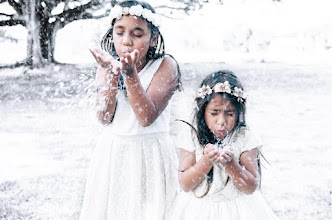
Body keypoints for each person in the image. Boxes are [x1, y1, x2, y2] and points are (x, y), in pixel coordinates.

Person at [79, 1, 181, 219]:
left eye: (137, 34)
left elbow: (146, 117)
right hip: (113, 153)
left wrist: (129, 73)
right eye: (120, 32)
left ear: (153, 39)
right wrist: (112, 73)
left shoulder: (166, 66)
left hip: (150, 154)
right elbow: (104, 117)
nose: (126, 41)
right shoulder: (107, 65)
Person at [167, 70, 279, 219]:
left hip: (238, 211)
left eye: (230, 113)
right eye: (214, 113)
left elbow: (250, 187)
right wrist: (206, 162)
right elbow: (185, 184)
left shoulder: (244, 137)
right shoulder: (192, 135)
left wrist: (231, 165)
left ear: (239, 113)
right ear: (203, 110)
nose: (222, 121)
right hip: (198, 210)